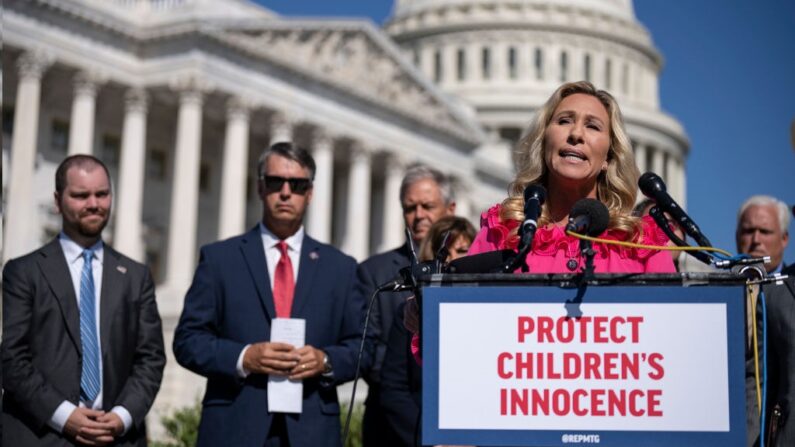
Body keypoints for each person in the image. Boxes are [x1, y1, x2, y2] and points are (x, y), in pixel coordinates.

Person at [173, 142, 365, 447]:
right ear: (261, 188)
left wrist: (325, 361)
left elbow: (362, 348)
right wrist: (244, 357)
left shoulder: (340, 268)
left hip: (311, 429)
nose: (286, 192)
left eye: (298, 185)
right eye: (276, 182)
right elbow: (187, 341)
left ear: (310, 194)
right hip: (236, 426)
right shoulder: (220, 259)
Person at [2, 154, 166, 446]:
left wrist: (123, 416)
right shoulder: (23, 271)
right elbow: (12, 359)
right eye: (81, 195)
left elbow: (150, 359)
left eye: (102, 194)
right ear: (57, 200)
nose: (94, 204)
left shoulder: (136, 276)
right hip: (41, 436)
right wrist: (64, 415)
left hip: (116, 437)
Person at [467, 81, 675, 274]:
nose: (576, 133)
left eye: (592, 126)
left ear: (608, 158)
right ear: (544, 143)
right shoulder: (503, 230)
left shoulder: (641, 245)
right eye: (564, 121)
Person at [356, 165, 456, 447]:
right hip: (390, 424)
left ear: (450, 209)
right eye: (410, 207)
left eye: (428, 205)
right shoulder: (374, 272)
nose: (419, 215)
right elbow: (368, 349)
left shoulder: (467, 268)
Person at [380, 217, 476, 447]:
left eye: (462, 250)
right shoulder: (410, 313)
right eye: (443, 254)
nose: (453, 260)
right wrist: (432, 439)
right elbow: (394, 389)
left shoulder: (489, 313)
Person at [737, 195, 794, 447]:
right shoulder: (712, 290)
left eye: (765, 231)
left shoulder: (784, 292)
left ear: (784, 239)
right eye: (749, 231)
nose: (756, 239)